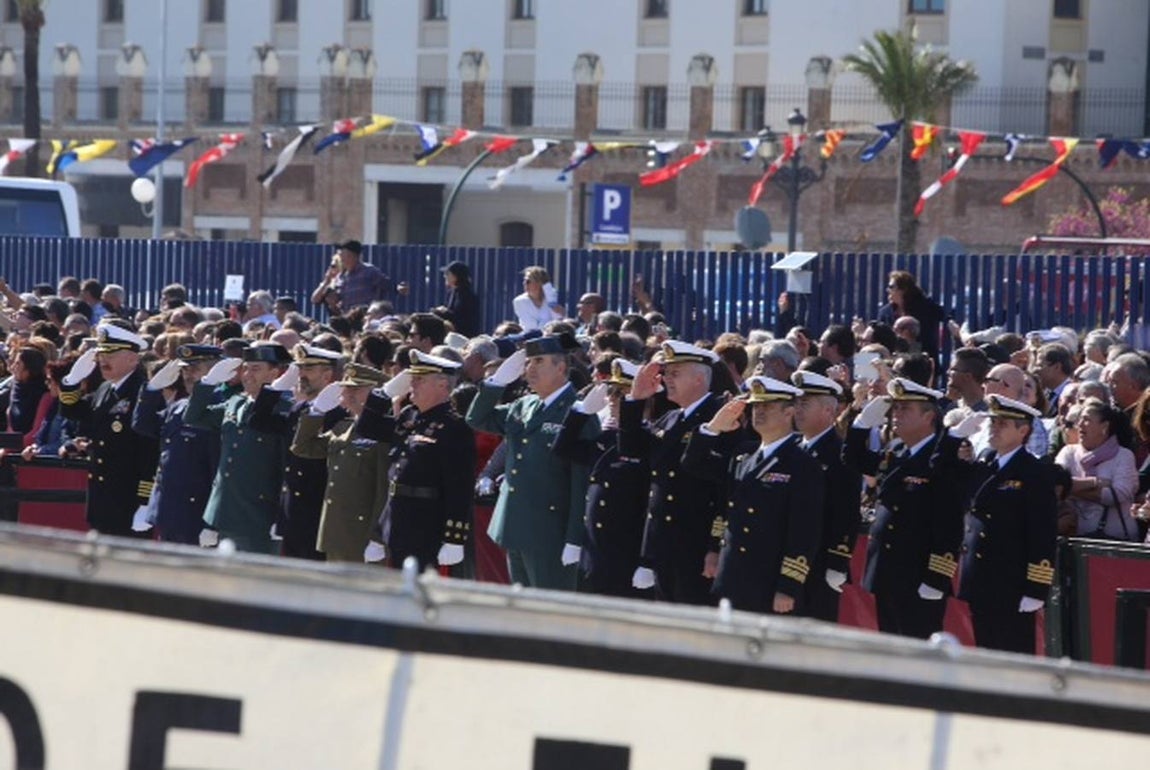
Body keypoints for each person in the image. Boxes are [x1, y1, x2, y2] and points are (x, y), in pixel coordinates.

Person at [842, 377, 969, 640]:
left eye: (905, 409)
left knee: (920, 653)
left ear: (928, 416)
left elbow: (949, 523)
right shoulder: (897, 449)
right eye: (895, 408)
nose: (896, 415)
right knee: (892, 653)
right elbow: (854, 461)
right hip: (888, 572)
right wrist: (861, 425)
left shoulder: (941, 457)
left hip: (918, 575)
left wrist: (937, 577)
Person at [466, 333, 596, 590]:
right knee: (523, 610)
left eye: (538, 361)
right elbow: (476, 419)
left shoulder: (579, 413)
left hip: (551, 533)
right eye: (528, 362)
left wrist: (574, 538)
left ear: (561, 368)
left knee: (550, 613)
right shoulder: (524, 406)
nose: (530, 368)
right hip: (516, 525)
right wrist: (496, 382)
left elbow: (581, 482)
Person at [687, 376, 825, 615]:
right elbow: (695, 468)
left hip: (767, 582)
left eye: (768, 406)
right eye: (756, 406)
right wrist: (712, 428)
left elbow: (804, 531)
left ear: (788, 412)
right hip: (732, 576)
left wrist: (788, 586)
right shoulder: (743, 455)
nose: (759, 412)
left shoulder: (802, 464)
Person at [621, 340, 731, 605]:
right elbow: (631, 451)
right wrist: (635, 400)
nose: (666, 379)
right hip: (664, 546)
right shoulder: (671, 419)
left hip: (697, 544)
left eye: (675, 373)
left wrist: (715, 547)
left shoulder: (721, 417)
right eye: (666, 373)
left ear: (698, 378)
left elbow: (725, 490)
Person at [954, 395, 1057, 654]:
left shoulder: (1034, 471)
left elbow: (1042, 532)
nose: (993, 428)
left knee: (1013, 654)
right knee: (986, 653)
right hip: (981, 579)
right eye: (993, 422)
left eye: (1003, 424)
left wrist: (1036, 588)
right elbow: (942, 469)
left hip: (1011, 581)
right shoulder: (986, 462)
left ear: (1023, 431)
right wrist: (955, 436)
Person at [359, 350, 475, 570]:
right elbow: (367, 428)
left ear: (442, 385)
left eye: (419, 379)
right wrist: (383, 393)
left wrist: (454, 538)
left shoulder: (454, 427)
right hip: (397, 522)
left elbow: (460, 486)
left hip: (427, 525)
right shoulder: (409, 416)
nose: (412, 383)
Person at [551, 358, 650, 598]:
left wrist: (648, 561)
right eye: (611, 392)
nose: (613, 400)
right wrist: (581, 412)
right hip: (597, 554)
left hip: (628, 554)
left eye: (621, 393)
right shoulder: (607, 438)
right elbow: (563, 448)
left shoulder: (650, 440)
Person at [184, 342, 294, 553]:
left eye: (256, 369)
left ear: (274, 373)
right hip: (226, 512)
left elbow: (285, 468)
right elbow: (194, 417)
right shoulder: (236, 402)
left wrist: (281, 516)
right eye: (245, 367)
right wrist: (208, 383)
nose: (247, 375)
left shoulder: (284, 410)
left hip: (260, 514)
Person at [57, 321, 159, 536]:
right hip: (102, 499)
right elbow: (74, 411)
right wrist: (72, 381)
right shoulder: (105, 388)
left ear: (132, 358)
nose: (103, 360)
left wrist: (145, 501)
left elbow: (150, 451)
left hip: (127, 500)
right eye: (101, 355)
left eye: (111, 355)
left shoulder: (144, 393)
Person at [291, 362, 390, 562]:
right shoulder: (342, 427)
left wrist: (377, 537)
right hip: (335, 531)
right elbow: (302, 447)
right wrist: (316, 411)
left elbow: (383, 490)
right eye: (347, 388)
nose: (348, 393)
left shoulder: (384, 434)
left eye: (357, 389)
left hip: (361, 535)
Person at [131, 344, 227, 545]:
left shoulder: (223, 407)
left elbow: (219, 469)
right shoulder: (179, 406)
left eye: (195, 369)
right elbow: (144, 425)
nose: (188, 375)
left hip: (197, 511)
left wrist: (214, 522)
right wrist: (151, 389)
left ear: (215, 371)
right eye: (185, 369)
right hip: (169, 510)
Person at [792, 370, 863, 622]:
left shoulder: (840, 455)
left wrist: (838, 561)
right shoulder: (792, 448)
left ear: (828, 412)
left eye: (805, 404)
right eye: (796, 403)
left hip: (819, 561)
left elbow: (846, 511)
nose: (797, 410)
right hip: (788, 559)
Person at [273, 343, 346, 560]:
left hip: (319, 511)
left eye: (309, 369)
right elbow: (259, 421)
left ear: (328, 375)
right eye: (301, 369)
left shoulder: (339, 412)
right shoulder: (299, 409)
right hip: (293, 510)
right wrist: (274, 389)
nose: (301, 375)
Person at [1055, 398, 1140, 541]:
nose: (1080, 424)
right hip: (1074, 539)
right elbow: (1055, 486)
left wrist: (1070, 490)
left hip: (1114, 542)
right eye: (1079, 420)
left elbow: (1117, 495)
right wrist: (1095, 482)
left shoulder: (1123, 456)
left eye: (1087, 420)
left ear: (1104, 427)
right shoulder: (1068, 453)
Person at [311, 240, 397, 314]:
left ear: (353, 256)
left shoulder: (369, 271)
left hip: (365, 318)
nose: (341, 259)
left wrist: (398, 288)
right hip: (348, 320)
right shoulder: (340, 277)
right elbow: (315, 300)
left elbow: (388, 285)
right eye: (340, 256)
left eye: (343, 255)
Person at [878, 271, 945, 361]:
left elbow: (944, 315)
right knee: (866, 355)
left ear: (903, 289)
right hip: (893, 361)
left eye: (891, 287)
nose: (887, 290)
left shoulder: (925, 307)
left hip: (922, 360)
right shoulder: (885, 312)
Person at [512, 266, 563, 332]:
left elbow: (558, 320)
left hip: (548, 337)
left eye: (528, 281)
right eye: (524, 280)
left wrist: (559, 313)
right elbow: (531, 326)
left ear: (539, 283)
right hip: (528, 338)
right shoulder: (519, 301)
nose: (524, 283)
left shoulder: (552, 297)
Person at [439, 261, 480, 338]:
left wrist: (445, 313)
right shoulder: (452, 292)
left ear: (455, 276)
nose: (445, 276)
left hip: (464, 337)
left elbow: (465, 320)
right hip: (451, 335)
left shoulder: (468, 296)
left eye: (448, 274)